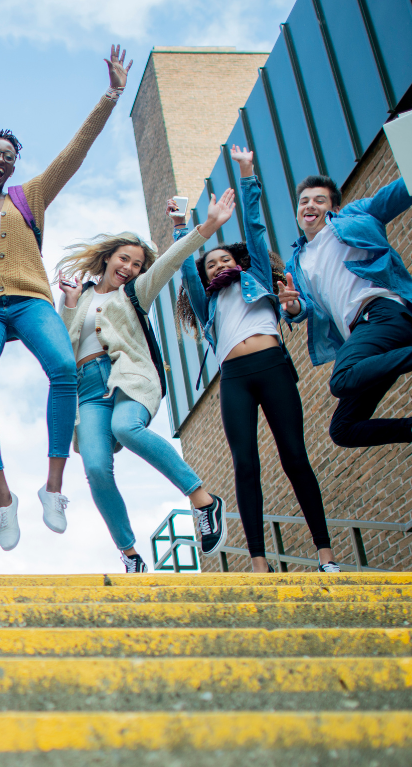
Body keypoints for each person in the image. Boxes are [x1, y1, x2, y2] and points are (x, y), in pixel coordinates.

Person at [0, 46, 131, 551]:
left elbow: (76, 151)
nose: (1, 161)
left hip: (30, 301)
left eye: (9, 156)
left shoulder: (30, 196)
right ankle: (4, 500)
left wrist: (111, 95)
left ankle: (53, 487)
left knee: (64, 370)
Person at [277, 117, 412, 464]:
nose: (309, 206)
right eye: (303, 202)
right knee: (343, 429)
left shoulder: (353, 218)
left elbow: (398, 192)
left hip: (385, 311)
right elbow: (305, 309)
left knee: (341, 378)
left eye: (318, 200)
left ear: (334, 208)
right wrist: (292, 310)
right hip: (368, 341)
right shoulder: (297, 264)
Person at [172, 146, 338, 574]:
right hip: (235, 379)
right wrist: (181, 227)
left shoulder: (258, 277)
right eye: (211, 263)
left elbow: (256, 227)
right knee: (245, 465)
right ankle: (260, 563)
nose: (218, 265)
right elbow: (186, 267)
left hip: (273, 369)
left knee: (294, 457)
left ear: (239, 262)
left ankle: (326, 555)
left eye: (225, 258)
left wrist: (247, 173)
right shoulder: (207, 304)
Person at [57, 190, 238, 573]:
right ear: (107, 258)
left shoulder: (135, 292)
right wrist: (71, 302)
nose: (129, 267)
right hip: (87, 391)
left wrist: (206, 227)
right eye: (124, 258)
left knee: (126, 427)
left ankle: (204, 500)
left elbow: (170, 262)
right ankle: (130, 554)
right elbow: (65, 343)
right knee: (95, 468)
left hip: (129, 378)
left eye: (136, 264)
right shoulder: (80, 297)